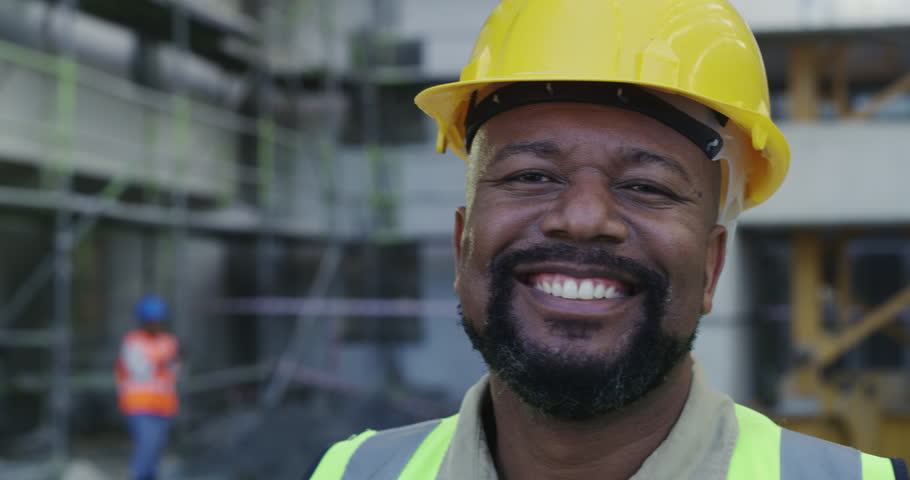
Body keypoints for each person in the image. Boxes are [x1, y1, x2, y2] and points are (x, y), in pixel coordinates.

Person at [308, 0, 908, 478]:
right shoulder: (353, 471)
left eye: (647, 186)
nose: (585, 217)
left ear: (713, 263)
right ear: (462, 245)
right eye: (531, 176)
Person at [115, 295, 181, 480]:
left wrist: (174, 361)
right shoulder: (133, 342)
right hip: (140, 406)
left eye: (158, 321)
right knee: (146, 446)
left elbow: (175, 371)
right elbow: (139, 370)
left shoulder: (169, 341)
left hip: (164, 406)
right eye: (151, 321)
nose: (155, 325)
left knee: (156, 450)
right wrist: (163, 361)